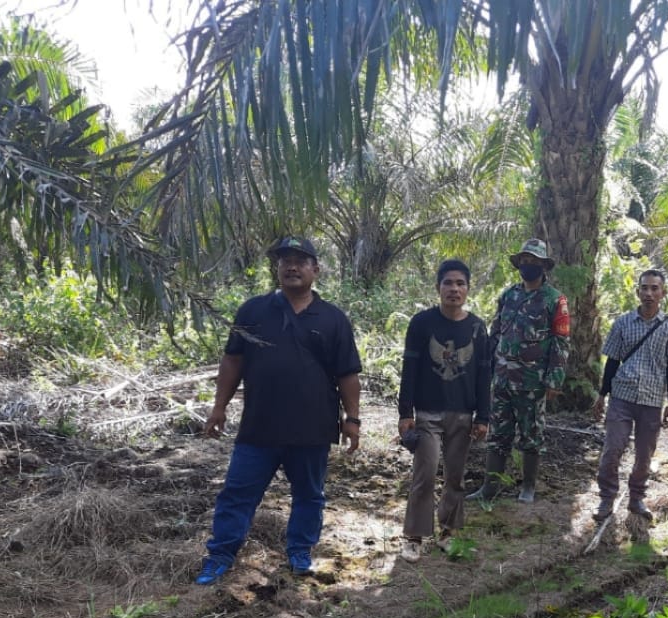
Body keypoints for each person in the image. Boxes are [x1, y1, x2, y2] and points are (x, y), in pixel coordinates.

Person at [195, 236, 362, 585]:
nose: (292, 267)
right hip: (260, 426)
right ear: (277, 268)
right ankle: (220, 556)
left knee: (309, 496)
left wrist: (353, 419)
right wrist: (219, 407)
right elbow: (233, 360)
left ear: (316, 269)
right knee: (237, 494)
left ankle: (299, 552)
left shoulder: (333, 319)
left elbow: (347, 374)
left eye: (301, 261)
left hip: (312, 428)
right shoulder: (253, 311)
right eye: (285, 260)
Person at [397, 259, 492, 562]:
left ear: (468, 289)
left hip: (463, 413)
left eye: (460, 283)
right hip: (427, 413)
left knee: (455, 477)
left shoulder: (477, 328)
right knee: (425, 473)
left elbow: (484, 374)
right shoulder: (422, 323)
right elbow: (409, 369)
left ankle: (449, 533)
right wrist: (405, 413)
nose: (454, 289)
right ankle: (414, 537)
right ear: (438, 287)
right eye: (448, 283)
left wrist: (484, 416)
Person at [467, 238, 570, 504]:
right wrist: (486, 368)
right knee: (498, 434)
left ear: (543, 266)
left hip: (532, 381)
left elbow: (561, 341)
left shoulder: (554, 299)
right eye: (524, 261)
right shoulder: (508, 295)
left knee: (531, 435)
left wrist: (554, 379)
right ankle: (490, 488)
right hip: (502, 378)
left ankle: (529, 487)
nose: (527, 265)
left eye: (533, 261)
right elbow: (496, 332)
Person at [591, 269, 668, 521]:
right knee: (612, 449)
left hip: (652, 400)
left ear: (663, 293)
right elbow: (612, 361)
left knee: (644, 455)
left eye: (655, 288)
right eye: (644, 288)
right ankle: (606, 498)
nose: (649, 293)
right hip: (622, 395)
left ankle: (636, 499)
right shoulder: (622, 323)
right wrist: (602, 395)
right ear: (637, 291)